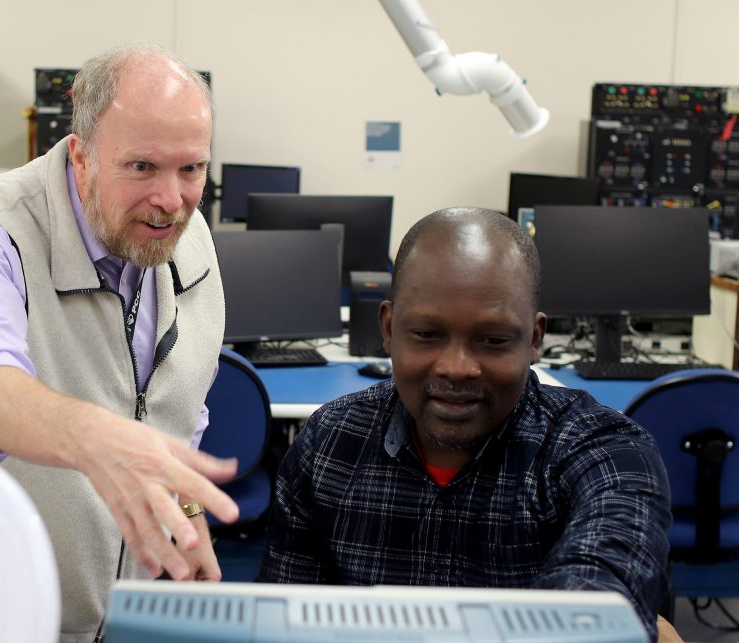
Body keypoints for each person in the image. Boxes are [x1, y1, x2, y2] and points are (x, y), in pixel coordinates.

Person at [0, 43, 239, 642]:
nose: (171, 199)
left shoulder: (186, 233)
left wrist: (185, 508)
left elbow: (183, 395)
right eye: (142, 167)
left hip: (120, 611)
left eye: (191, 169)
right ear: (82, 157)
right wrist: (93, 437)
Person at [258, 207, 673, 642]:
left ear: (534, 339)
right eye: (427, 335)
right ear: (388, 328)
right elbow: (282, 622)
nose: (457, 369)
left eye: (493, 341)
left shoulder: (605, 451)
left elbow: (601, 596)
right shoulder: (329, 443)